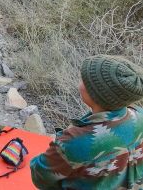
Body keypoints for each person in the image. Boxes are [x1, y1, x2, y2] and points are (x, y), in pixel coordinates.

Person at [30, 55, 143, 190]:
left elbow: (41, 177)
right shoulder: (139, 114)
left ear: (96, 94)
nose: (80, 81)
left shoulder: (75, 141)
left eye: (84, 80)